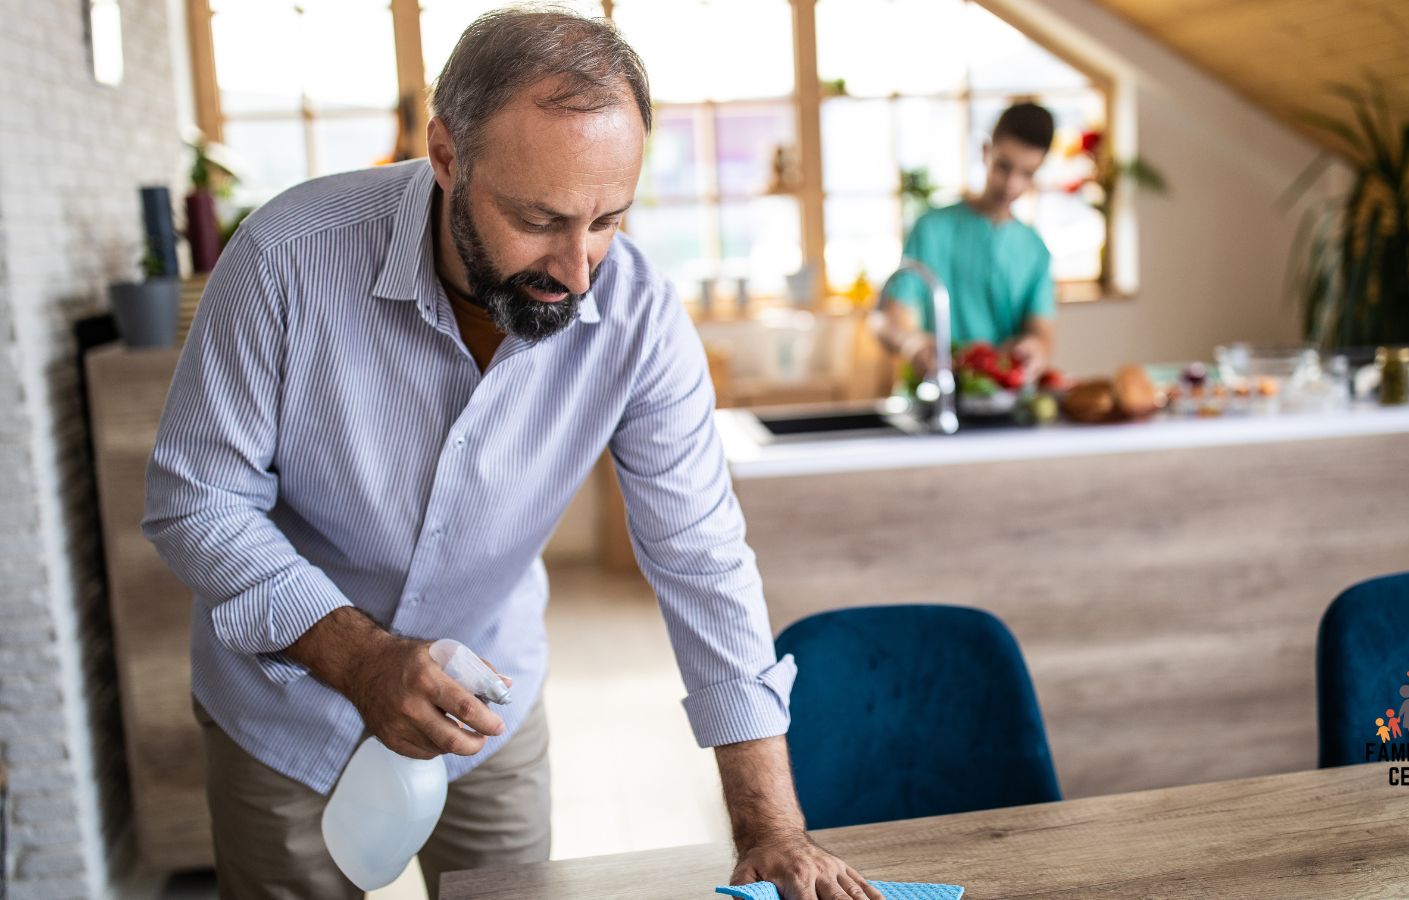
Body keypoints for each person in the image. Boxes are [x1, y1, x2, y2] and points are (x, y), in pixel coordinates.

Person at [143, 9, 883, 900]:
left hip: (485, 702)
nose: (576, 270)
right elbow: (197, 500)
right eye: (539, 219)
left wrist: (770, 830)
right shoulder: (284, 258)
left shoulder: (640, 316)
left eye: (608, 219)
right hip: (286, 706)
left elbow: (702, 557)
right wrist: (360, 658)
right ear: (448, 157)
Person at [876, 102, 1058, 382]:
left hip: (1003, 400)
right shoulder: (931, 229)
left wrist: (1036, 347)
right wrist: (913, 342)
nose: (1011, 184)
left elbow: (1041, 331)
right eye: (1004, 166)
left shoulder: (1035, 251)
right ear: (987, 152)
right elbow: (890, 319)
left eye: (1026, 173)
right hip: (935, 393)